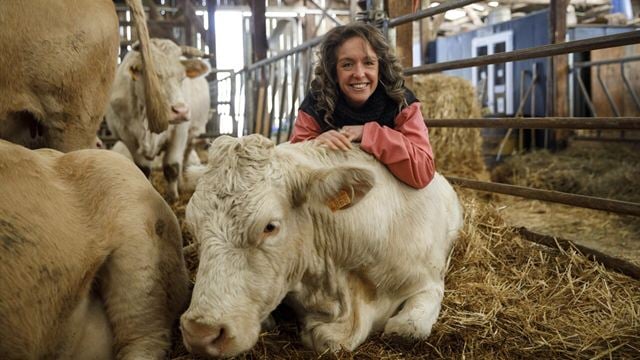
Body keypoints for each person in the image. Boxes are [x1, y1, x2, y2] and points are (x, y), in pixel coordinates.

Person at [290, 22, 435, 189]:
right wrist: (314, 145)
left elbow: (423, 172)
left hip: (393, 206)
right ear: (334, 72)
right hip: (337, 208)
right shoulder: (315, 105)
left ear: (380, 68)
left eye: (369, 63)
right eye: (347, 64)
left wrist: (369, 134)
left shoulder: (401, 102)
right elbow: (294, 172)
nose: (359, 74)